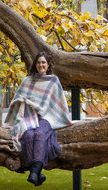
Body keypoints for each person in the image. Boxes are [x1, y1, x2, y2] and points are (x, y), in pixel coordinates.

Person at [4, 52, 72, 186]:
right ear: (35, 65)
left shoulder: (53, 81)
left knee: (40, 133)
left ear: (48, 65)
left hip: (47, 117)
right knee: (28, 135)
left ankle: (33, 172)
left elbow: (59, 102)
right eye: (38, 62)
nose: (41, 65)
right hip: (28, 116)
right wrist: (22, 108)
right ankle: (37, 173)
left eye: (43, 62)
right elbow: (17, 99)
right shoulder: (27, 80)